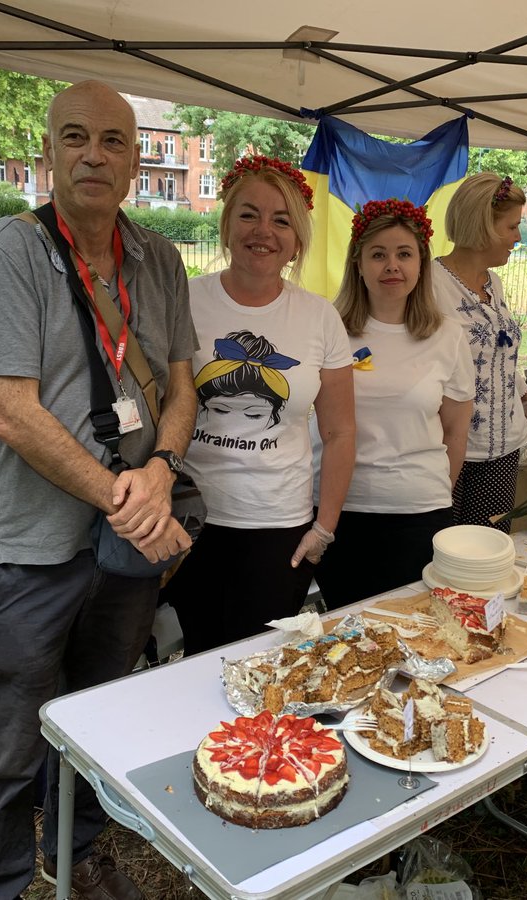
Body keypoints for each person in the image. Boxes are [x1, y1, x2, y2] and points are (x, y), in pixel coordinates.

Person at [0, 82, 198, 899]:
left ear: (136, 158)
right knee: (10, 737)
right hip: (28, 544)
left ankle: (76, 853)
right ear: (50, 151)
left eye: (113, 141)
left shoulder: (157, 258)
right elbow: (13, 415)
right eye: (75, 137)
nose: (94, 154)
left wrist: (159, 470)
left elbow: (182, 387)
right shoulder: (9, 251)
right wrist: (125, 497)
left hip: (127, 535)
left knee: (97, 714)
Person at [163, 155, 356, 652]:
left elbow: (340, 432)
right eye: (248, 214)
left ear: (297, 240)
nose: (263, 231)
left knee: (259, 661)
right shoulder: (181, 300)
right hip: (190, 521)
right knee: (198, 653)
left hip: (278, 528)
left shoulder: (319, 318)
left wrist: (325, 529)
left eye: (281, 219)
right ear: (227, 226)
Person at [311, 199, 474, 608]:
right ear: (358, 262)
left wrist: (432, 491)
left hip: (418, 513)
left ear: (422, 263)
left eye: (404, 254)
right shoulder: (327, 329)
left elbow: (456, 432)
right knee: (347, 635)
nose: (392, 266)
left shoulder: (449, 336)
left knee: (415, 631)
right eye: (378, 254)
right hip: (339, 513)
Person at [433, 173, 527, 532]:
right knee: (443, 551)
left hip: (503, 446)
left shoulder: (492, 283)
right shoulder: (430, 286)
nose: (518, 238)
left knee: (488, 548)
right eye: (512, 227)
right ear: (483, 227)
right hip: (451, 447)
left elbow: (496, 354)